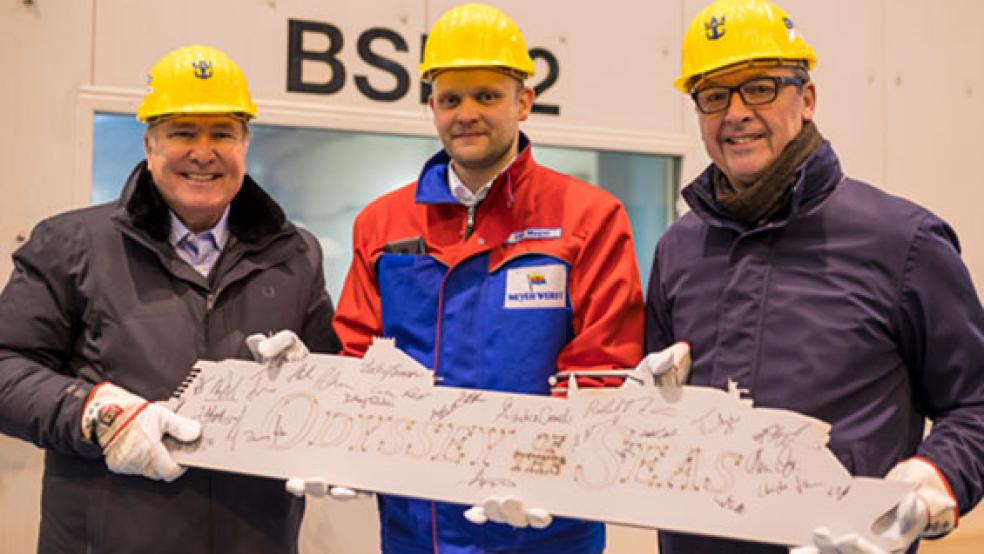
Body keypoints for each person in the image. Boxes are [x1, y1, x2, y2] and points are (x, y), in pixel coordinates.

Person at [645, 0, 984, 552]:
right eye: (713, 95)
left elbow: (975, 402)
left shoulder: (904, 243)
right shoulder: (679, 249)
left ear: (806, 99)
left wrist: (936, 476)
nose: (735, 113)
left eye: (759, 88)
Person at [322, 3, 645, 552]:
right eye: (451, 99)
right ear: (432, 106)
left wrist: (549, 471)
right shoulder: (382, 224)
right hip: (417, 528)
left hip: (545, 527)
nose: (467, 113)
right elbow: (358, 354)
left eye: (487, 96)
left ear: (524, 102)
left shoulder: (588, 218)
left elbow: (602, 367)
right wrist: (340, 436)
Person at [0, 44, 340, 553]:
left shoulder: (295, 255)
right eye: (182, 132)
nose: (203, 152)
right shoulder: (71, 245)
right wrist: (94, 414)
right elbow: (6, 366)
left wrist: (313, 387)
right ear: (149, 144)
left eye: (222, 133)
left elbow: (331, 382)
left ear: (245, 143)